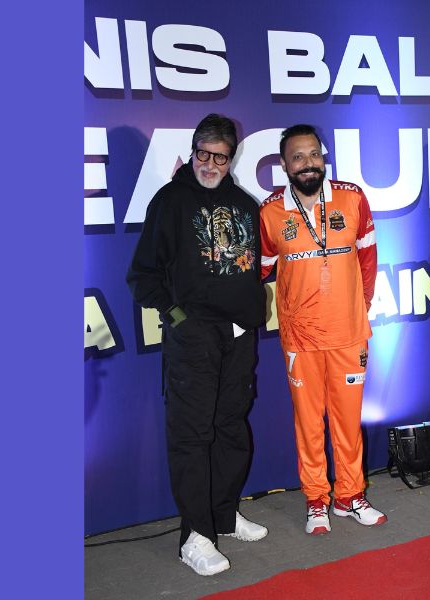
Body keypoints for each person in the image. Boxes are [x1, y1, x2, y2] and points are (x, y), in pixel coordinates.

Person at [127, 113, 268, 576]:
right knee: (192, 436)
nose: (211, 164)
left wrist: (252, 313)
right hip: (193, 339)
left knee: (231, 428)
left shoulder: (245, 204)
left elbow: (251, 268)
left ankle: (223, 517)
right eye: (203, 154)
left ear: (232, 159)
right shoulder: (170, 201)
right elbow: (142, 276)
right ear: (192, 152)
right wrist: (179, 320)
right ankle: (195, 536)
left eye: (220, 157)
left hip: (239, 337)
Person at [259, 124, 387, 535]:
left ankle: (350, 495)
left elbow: (368, 257)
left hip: (348, 333)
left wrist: (357, 306)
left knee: (348, 421)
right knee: (309, 423)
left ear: (323, 157)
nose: (308, 163)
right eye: (298, 157)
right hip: (300, 339)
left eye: (314, 154)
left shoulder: (351, 198)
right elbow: (259, 271)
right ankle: (317, 499)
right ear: (284, 165)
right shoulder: (270, 211)